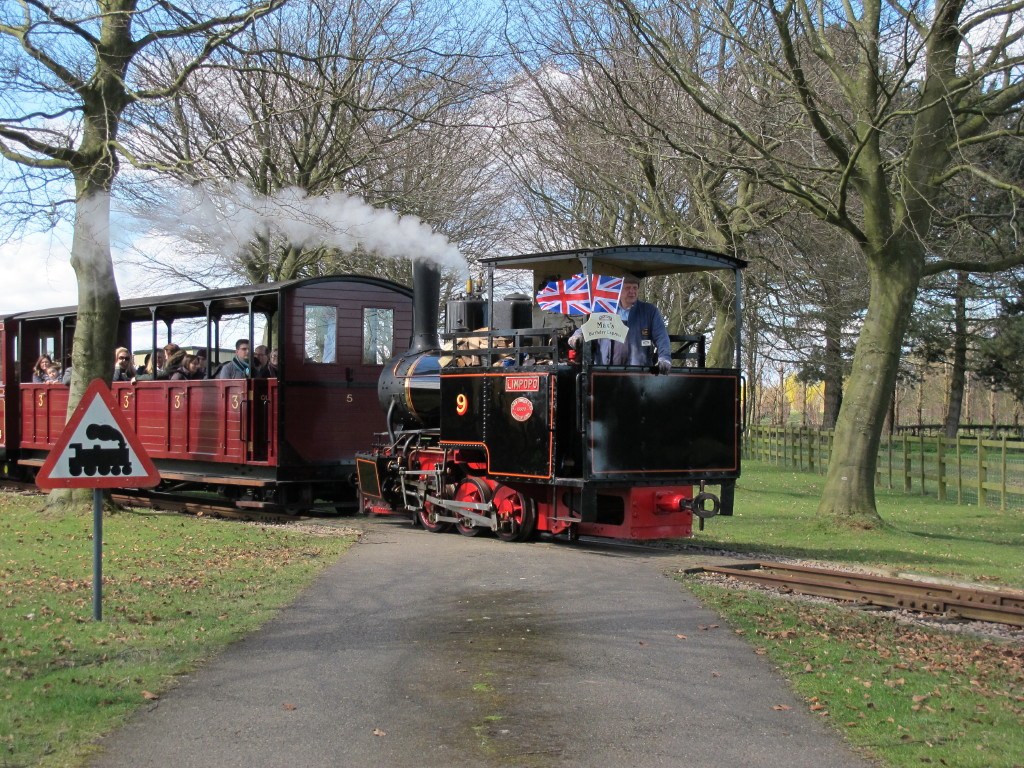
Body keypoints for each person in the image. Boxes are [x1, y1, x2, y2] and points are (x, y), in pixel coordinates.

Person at [569, 273, 673, 373]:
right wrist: (577, 337)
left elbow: (661, 337)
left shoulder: (649, 311)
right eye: (627, 288)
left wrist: (664, 358)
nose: (632, 291)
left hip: (638, 373)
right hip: (606, 371)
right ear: (619, 290)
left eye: (635, 288)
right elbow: (587, 329)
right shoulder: (605, 309)